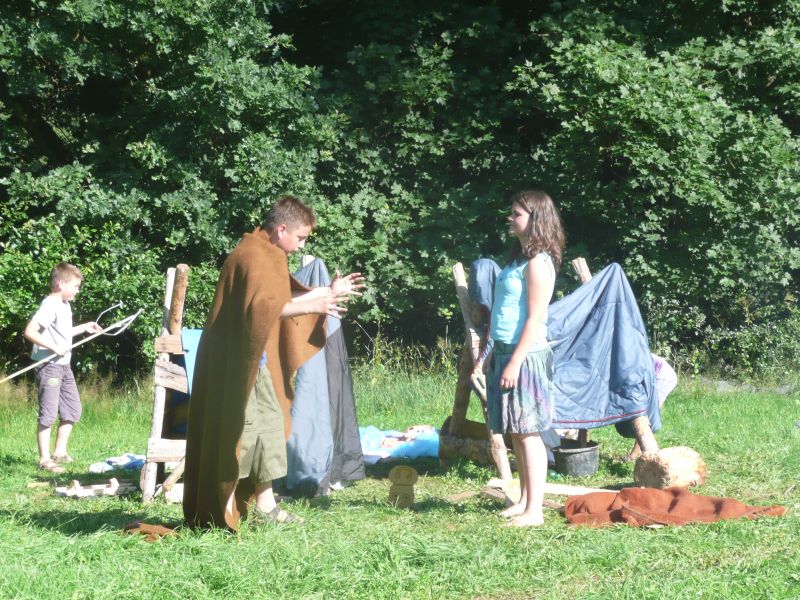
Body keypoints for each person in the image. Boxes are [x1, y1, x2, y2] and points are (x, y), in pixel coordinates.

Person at [183, 196, 364, 529]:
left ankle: (265, 506)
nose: (302, 245)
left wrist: (329, 291)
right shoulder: (252, 255)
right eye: (300, 237)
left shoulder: (269, 254)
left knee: (270, 427)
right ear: (282, 229)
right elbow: (265, 309)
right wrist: (316, 305)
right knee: (241, 433)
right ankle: (222, 510)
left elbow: (281, 298)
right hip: (235, 366)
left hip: (257, 364)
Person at [482, 190, 565, 527]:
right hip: (506, 351)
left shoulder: (538, 263)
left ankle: (535, 511)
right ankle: (524, 501)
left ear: (536, 219)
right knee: (516, 430)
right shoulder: (517, 259)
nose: (510, 218)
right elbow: (505, 313)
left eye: (517, 214)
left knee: (529, 431)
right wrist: (493, 353)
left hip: (526, 357)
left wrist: (515, 362)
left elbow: (534, 319)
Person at [23, 263, 101, 473]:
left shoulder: (65, 305)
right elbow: (30, 331)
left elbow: (62, 333)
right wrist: (53, 347)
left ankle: (59, 452)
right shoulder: (50, 305)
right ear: (60, 284)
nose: (78, 290)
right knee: (48, 413)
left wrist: (84, 327)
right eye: (75, 286)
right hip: (48, 366)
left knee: (73, 409)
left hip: (63, 365)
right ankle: (44, 460)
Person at [624, 353, 678, 461]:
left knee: (648, 415)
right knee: (642, 412)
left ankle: (636, 454)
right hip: (650, 375)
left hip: (662, 375)